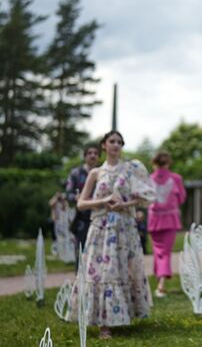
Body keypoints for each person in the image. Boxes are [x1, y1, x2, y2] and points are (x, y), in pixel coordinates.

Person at [64, 130, 156, 339]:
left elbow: (145, 197)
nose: (116, 145)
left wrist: (125, 204)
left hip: (124, 228)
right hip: (100, 228)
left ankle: (122, 316)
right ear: (104, 145)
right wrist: (103, 202)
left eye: (119, 142)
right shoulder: (96, 173)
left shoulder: (131, 169)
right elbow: (81, 203)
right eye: (112, 141)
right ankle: (104, 324)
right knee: (103, 272)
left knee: (122, 271)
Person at [148, 151, 187, 298]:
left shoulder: (149, 179)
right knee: (165, 252)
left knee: (158, 251)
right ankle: (161, 285)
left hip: (154, 219)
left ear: (154, 163)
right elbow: (182, 198)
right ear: (168, 162)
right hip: (170, 218)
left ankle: (160, 281)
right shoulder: (176, 178)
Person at [66, 143, 100, 271]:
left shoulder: (102, 173)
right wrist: (75, 198)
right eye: (90, 153)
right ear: (85, 156)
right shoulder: (75, 173)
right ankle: (79, 283)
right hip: (81, 218)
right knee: (80, 250)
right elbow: (68, 194)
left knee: (98, 252)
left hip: (98, 216)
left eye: (96, 153)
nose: (93, 155)